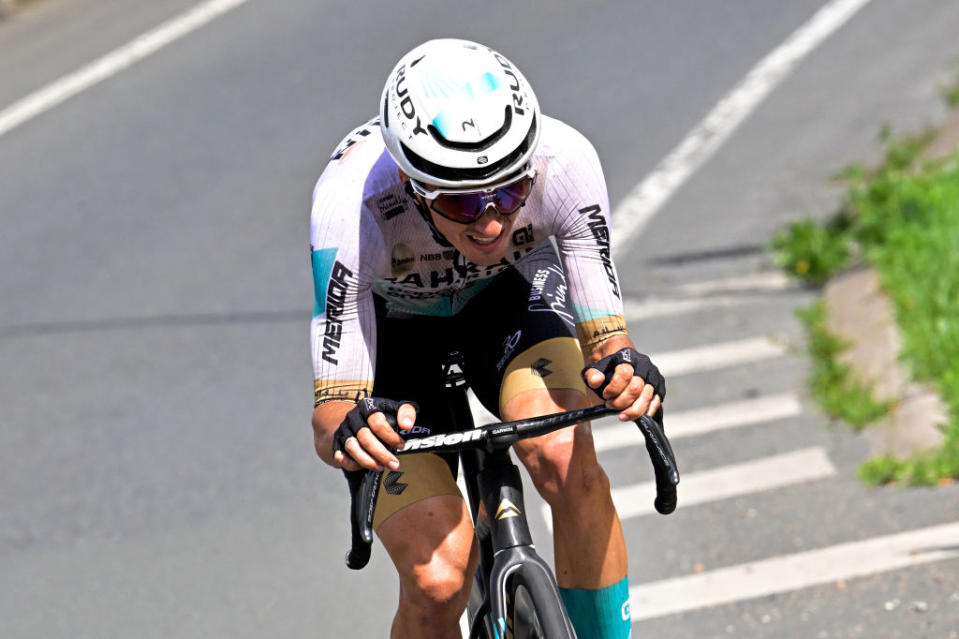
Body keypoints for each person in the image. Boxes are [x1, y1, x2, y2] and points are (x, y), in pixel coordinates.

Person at [309, 38, 665, 639]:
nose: (493, 221)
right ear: (410, 182)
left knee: (567, 462)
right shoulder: (351, 203)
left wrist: (627, 372)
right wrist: (353, 432)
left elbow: (609, 343)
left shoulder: (566, 158)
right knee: (439, 577)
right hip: (394, 340)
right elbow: (331, 416)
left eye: (510, 192)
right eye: (462, 200)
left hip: (507, 299)